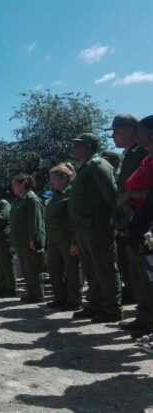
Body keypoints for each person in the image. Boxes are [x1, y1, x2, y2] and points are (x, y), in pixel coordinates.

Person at [68, 133, 122, 322]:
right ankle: (94, 305)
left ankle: (112, 309)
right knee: (91, 270)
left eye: (77, 144)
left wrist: (117, 224)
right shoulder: (84, 168)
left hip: (98, 227)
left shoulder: (98, 166)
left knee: (105, 269)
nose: (73, 148)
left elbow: (112, 197)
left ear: (89, 146)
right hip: (84, 229)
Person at [117, 114, 153, 338]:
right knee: (140, 275)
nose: (138, 134)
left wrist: (130, 194)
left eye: (141, 131)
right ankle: (145, 318)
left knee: (149, 276)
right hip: (138, 220)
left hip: (148, 221)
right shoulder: (145, 158)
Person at [108, 114, 149, 306]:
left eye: (115, 132)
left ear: (129, 131)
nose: (113, 137)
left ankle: (148, 319)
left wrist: (130, 196)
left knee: (143, 272)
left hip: (141, 218)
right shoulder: (129, 154)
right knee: (133, 272)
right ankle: (143, 315)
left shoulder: (142, 152)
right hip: (127, 220)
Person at [45, 163, 81, 310]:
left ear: (65, 178)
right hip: (53, 238)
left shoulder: (71, 193)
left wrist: (74, 241)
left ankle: (73, 301)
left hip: (67, 237)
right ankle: (60, 298)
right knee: (54, 268)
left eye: (54, 179)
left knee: (71, 269)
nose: (52, 182)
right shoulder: (55, 195)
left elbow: (74, 219)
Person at [10, 174, 46, 303]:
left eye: (14, 185)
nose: (12, 188)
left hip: (29, 240)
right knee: (26, 268)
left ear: (22, 185)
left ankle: (37, 294)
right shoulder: (20, 200)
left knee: (33, 268)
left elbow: (35, 221)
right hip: (20, 240)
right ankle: (31, 292)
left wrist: (33, 239)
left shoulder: (31, 199)